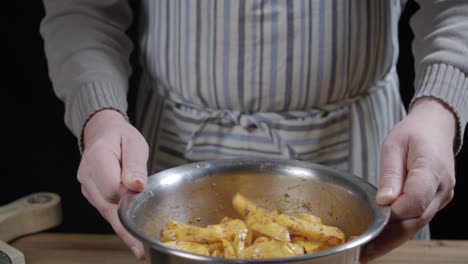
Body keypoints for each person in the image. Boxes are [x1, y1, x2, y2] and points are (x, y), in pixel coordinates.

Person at [39, 0, 467, 262]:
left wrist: (440, 107)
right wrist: (100, 116)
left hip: (360, 167)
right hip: (171, 163)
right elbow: (82, 8)